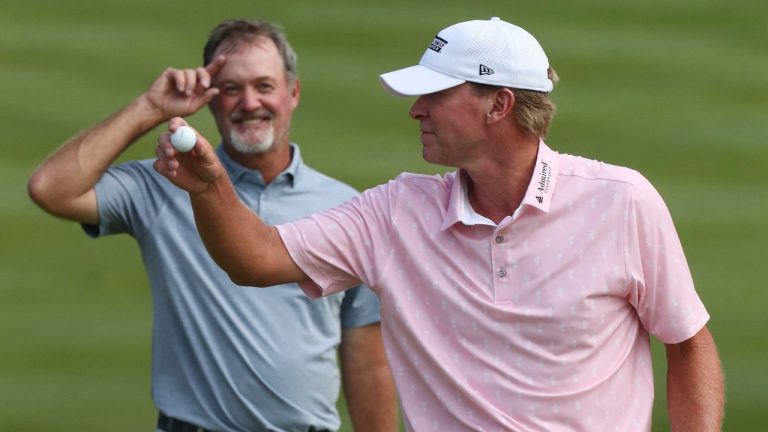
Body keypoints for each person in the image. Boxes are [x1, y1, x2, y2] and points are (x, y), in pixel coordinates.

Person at [153, 17, 725, 431]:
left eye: (435, 94)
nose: (416, 110)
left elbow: (689, 344)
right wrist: (210, 186)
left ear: (498, 105)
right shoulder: (393, 212)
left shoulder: (622, 203)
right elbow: (255, 259)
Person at [27, 18, 397, 432]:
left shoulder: (344, 206)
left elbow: (367, 359)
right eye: (231, 89)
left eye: (264, 86)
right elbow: (51, 189)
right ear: (209, 100)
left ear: (292, 93)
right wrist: (149, 109)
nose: (249, 103)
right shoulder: (163, 182)